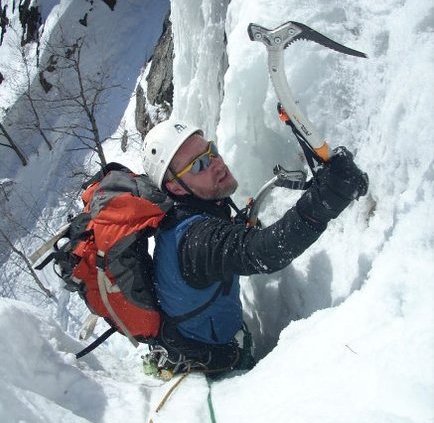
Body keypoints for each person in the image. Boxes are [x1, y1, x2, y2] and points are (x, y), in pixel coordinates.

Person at [142, 120, 368, 374]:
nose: (216, 163)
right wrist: (329, 197)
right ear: (174, 187)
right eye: (199, 165)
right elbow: (264, 252)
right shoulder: (195, 240)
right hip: (206, 361)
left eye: (211, 152)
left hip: (199, 336)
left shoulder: (187, 216)